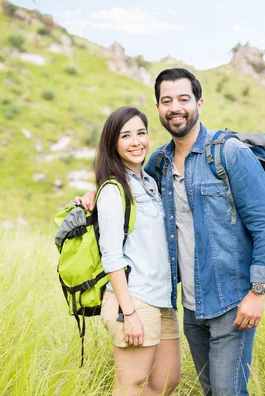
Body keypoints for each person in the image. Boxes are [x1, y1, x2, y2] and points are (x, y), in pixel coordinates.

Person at [81, 69, 265, 396]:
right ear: (159, 108)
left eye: (183, 99)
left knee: (227, 392)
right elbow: (124, 189)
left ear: (199, 103)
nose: (175, 107)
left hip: (232, 302)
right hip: (189, 306)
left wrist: (257, 292)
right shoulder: (158, 163)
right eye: (166, 101)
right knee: (206, 389)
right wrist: (96, 194)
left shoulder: (229, 154)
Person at [93, 106, 181, 396]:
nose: (136, 142)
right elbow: (112, 257)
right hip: (134, 301)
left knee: (165, 382)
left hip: (162, 300)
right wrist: (128, 312)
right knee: (131, 386)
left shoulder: (150, 183)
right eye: (125, 135)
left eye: (141, 133)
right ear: (113, 144)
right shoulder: (113, 189)